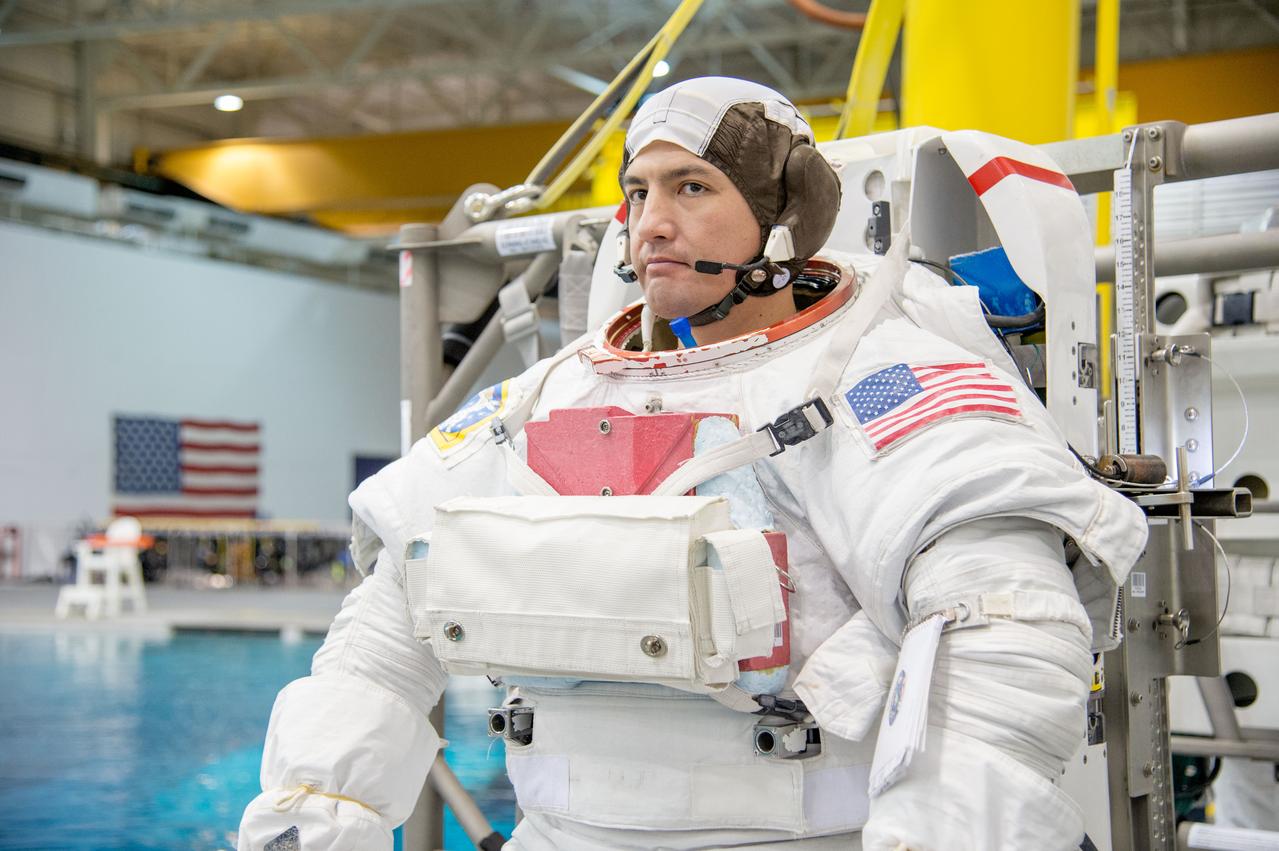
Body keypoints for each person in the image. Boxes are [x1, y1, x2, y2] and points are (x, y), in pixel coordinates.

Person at [239, 77, 1148, 850]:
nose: (651, 224)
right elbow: (388, 627)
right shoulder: (548, 395)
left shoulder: (879, 377)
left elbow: (1000, 634)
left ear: (783, 214)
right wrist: (315, 814)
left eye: (691, 189)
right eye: (638, 193)